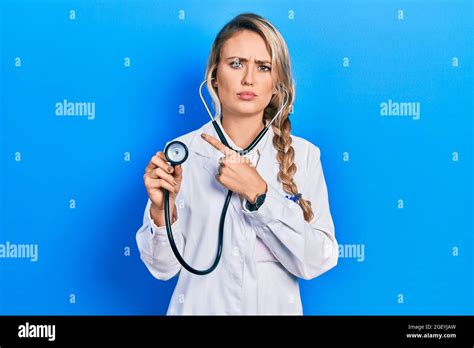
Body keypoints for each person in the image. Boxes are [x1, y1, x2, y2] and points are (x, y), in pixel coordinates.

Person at [136, 13, 338, 315]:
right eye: (236, 64)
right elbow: (162, 268)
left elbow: (317, 261)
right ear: (215, 76)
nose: (248, 79)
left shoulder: (305, 155)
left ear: (276, 83)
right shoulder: (182, 154)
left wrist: (260, 194)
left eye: (263, 67)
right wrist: (161, 210)